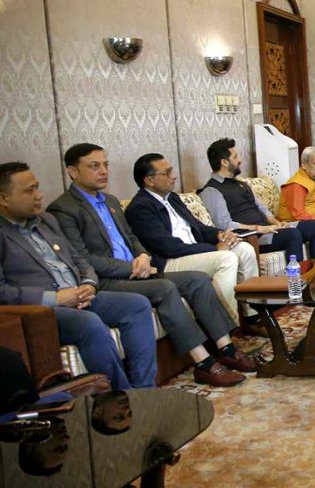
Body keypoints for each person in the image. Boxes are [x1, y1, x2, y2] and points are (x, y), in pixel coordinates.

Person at [48, 144, 254, 387]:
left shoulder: (111, 201)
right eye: (94, 166)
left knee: (197, 280)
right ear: (72, 171)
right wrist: (132, 268)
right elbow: (82, 258)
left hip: (140, 269)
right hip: (109, 280)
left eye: (105, 165)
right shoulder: (63, 209)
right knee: (165, 288)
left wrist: (143, 255)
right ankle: (204, 363)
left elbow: (131, 237)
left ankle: (225, 347)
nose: (103, 171)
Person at [0, 162, 156, 391]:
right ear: (3, 198)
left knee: (137, 305)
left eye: (37, 187)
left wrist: (89, 284)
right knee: (89, 323)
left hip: (81, 296)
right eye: (29, 190)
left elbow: (78, 259)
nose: (39, 195)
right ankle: (122, 396)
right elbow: (2, 292)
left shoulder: (46, 221)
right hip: (44, 311)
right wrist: (56, 298)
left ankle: (144, 389)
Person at [125, 153, 259, 325]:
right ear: (149, 180)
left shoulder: (172, 198)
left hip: (194, 252)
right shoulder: (140, 208)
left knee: (245, 249)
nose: (174, 176)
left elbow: (198, 227)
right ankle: (228, 324)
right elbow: (169, 247)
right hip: (170, 261)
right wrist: (215, 248)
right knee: (226, 258)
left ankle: (252, 317)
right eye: (167, 173)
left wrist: (219, 234)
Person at [200, 138, 315, 261]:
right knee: (293, 234)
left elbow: (261, 207)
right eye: (235, 157)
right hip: (253, 236)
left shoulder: (241, 183)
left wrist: (276, 223)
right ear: (224, 162)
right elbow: (225, 224)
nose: (240, 160)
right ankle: (297, 275)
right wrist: (258, 228)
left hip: (268, 229)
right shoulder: (212, 190)